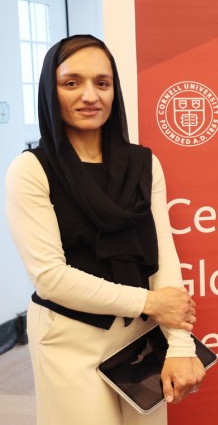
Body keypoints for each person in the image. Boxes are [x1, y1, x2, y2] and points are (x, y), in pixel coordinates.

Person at [4, 35, 206, 425]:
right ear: (51, 90)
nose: (89, 96)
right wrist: (148, 303)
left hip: (141, 340)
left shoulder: (144, 164)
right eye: (71, 82)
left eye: (102, 82)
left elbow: (163, 258)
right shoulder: (30, 170)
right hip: (69, 341)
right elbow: (51, 278)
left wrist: (180, 345)